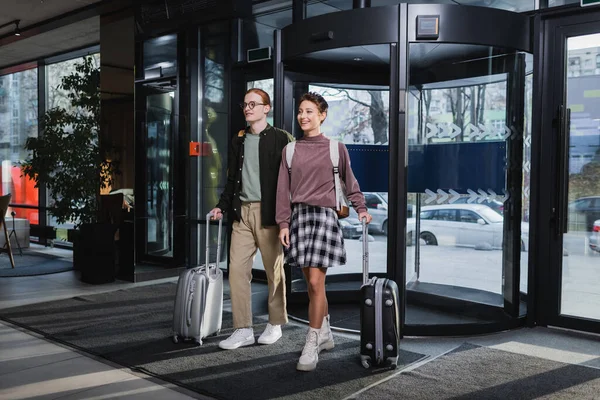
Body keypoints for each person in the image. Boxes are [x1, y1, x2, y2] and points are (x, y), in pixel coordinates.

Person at [275, 92, 372, 372]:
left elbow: (350, 182)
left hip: (325, 217)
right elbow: (283, 190)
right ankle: (326, 333)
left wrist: (361, 208)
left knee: (316, 283)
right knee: (312, 284)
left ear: (322, 114)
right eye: (300, 112)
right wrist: (283, 223)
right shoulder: (290, 151)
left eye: (309, 111)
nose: (303, 116)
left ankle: (312, 341)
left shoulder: (335, 148)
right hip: (299, 218)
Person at [210, 88, 294, 350]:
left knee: (274, 273)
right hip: (241, 213)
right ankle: (243, 328)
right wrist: (221, 206)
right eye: (244, 104)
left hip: (269, 214)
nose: (247, 108)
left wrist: (286, 220)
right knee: (236, 271)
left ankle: (275, 323)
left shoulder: (282, 139)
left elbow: (293, 181)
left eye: (253, 104)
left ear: (266, 108)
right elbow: (232, 179)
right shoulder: (238, 140)